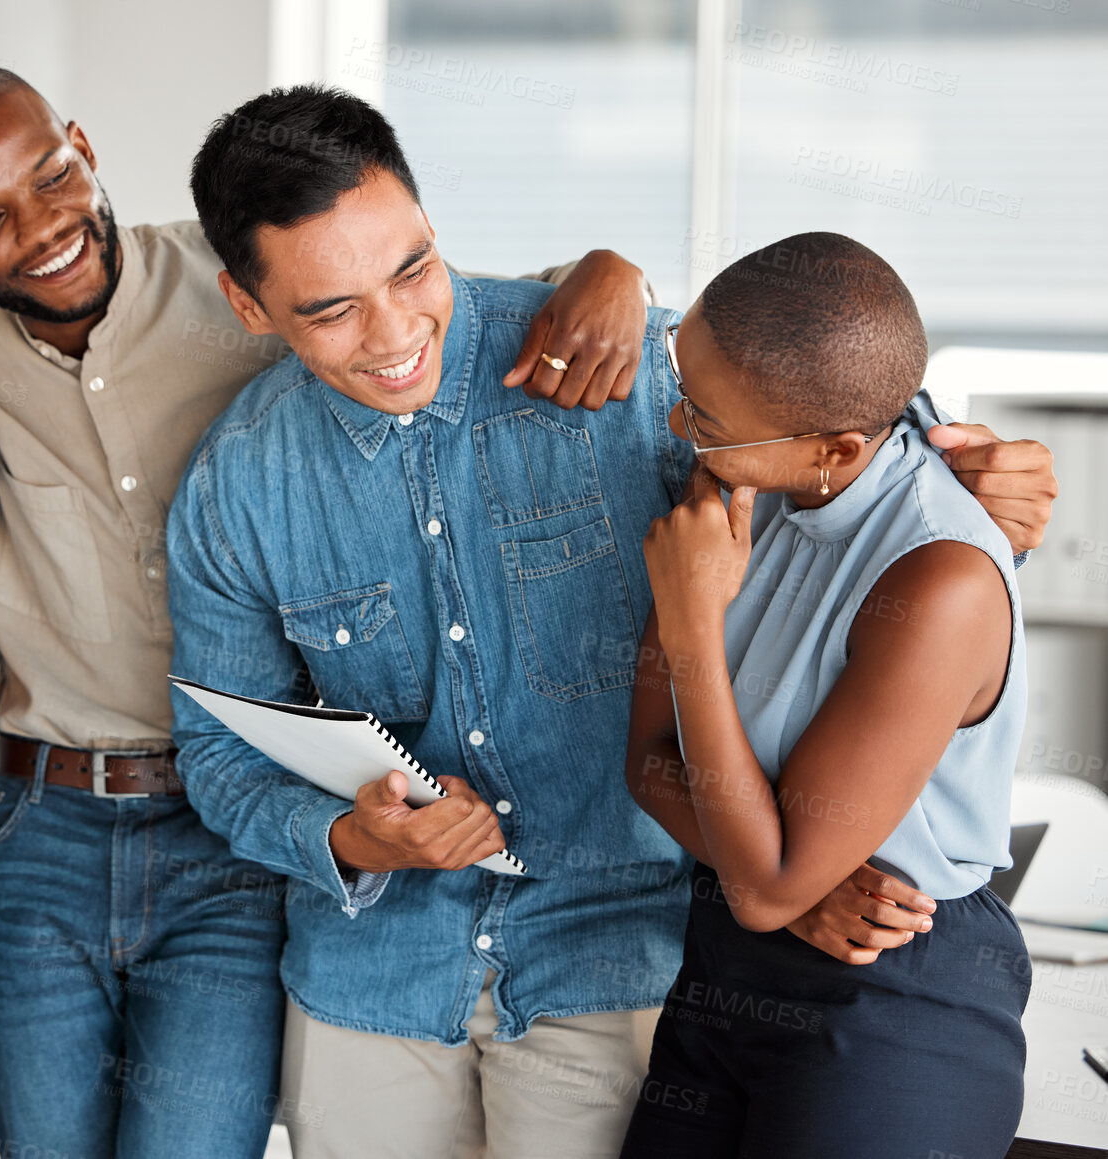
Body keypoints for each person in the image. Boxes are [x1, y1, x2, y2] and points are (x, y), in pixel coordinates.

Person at [0, 68, 670, 1159]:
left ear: (83, 148)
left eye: (50, 178)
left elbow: (428, 304)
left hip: (237, 837)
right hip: (49, 815)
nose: (40, 228)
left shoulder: (250, 286)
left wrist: (612, 268)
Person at [167, 85, 1055, 1158]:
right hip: (373, 981)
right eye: (331, 309)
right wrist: (348, 836)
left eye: (412, 269)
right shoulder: (236, 485)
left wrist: (975, 458)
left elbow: (832, 403)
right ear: (250, 306)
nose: (397, 332)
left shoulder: (623, 369)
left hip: (620, 962)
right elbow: (217, 752)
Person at [617, 233, 1029, 1159]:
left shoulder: (938, 581)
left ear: (835, 447)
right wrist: (776, 882)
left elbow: (762, 879)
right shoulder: (739, 476)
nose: (682, 427)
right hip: (721, 959)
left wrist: (690, 627)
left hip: (894, 982)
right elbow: (647, 765)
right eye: (687, 393)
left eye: (707, 417)